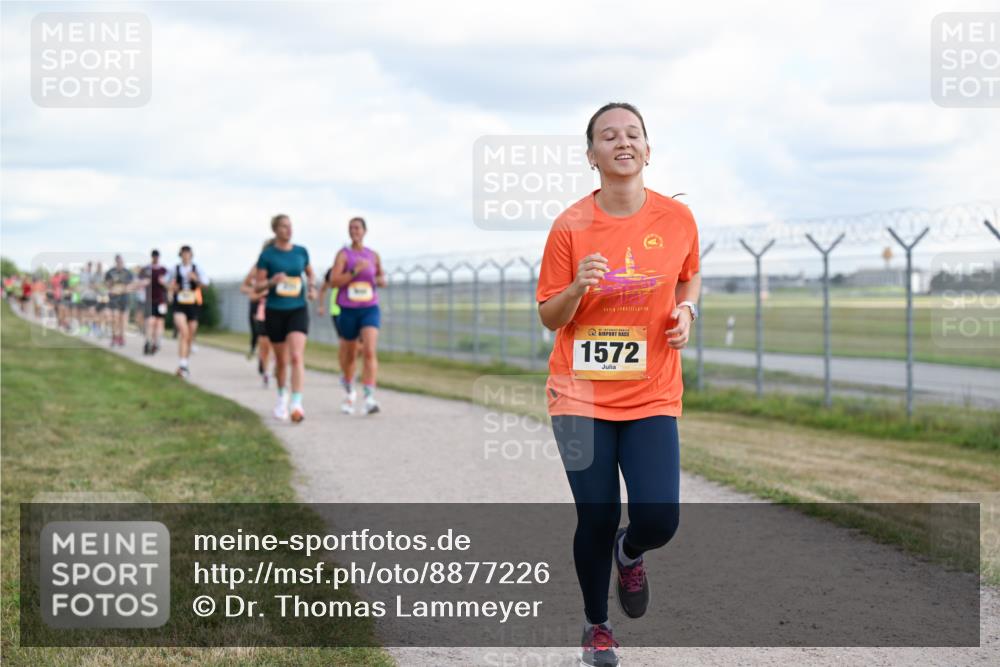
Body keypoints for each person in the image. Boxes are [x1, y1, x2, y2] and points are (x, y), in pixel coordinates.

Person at [536, 103, 701, 667]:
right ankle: (597, 625)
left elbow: (689, 274)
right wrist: (578, 286)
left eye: (633, 133)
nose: (622, 141)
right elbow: (550, 317)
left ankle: (630, 554)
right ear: (592, 156)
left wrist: (689, 311)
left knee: (660, 517)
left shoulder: (678, 220)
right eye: (608, 136)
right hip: (579, 394)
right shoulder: (570, 226)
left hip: (652, 390)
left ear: (648, 150)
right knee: (597, 514)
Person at [256, 214, 316, 422]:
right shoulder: (267, 255)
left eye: (290, 226)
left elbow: (310, 274)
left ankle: (297, 403)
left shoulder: (301, 252)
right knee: (281, 360)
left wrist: (312, 289)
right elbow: (258, 286)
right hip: (275, 310)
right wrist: (272, 282)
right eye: (283, 226)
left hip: (297, 308)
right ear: (275, 230)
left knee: (297, 356)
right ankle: (282, 397)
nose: (288, 230)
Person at [326, 217, 386, 415]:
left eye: (357, 228)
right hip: (348, 309)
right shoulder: (343, 255)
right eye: (351, 228)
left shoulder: (373, 255)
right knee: (350, 354)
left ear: (365, 231)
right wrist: (354, 271)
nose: (354, 231)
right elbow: (334, 281)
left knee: (369, 349)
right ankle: (349, 388)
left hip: (369, 307)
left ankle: (369, 396)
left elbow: (380, 277)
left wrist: (378, 280)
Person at [169, 245, 209, 378]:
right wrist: (171, 287)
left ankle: (185, 363)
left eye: (188, 253)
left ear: (191, 255)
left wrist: (195, 279)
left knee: (190, 335)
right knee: (184, 332)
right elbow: (164, 281)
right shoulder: (174, 269)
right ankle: (182, 364)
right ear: (180, 255)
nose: (186, 256)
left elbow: (206, 283)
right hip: (179, 304)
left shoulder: (197, 269)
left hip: (193, 304)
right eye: (183, 254)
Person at [240, 241, 273, 387]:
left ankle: (269, 363)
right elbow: (244, 287)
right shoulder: (257, 267)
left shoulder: (284, 268)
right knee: (262, 339)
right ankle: (264, 363)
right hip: (259, 306)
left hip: (278, 307)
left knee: (275, 342)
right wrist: (257, 292)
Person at [140, 250, 169, 355]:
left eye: (157, 256)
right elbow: (139, 282)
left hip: (161, 301)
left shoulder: (164, 270)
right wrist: (143, 283)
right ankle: (148, 341)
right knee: (150, 322)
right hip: (149, 300)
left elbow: (169, 285)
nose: (155, 258)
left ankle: (156, 343)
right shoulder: (146, 269)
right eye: (154, 256)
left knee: (159, 322)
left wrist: (164, 282)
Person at [105, 255, 134, 347]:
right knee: (115, 318)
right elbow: (108, 285)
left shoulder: (127, 272)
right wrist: (112, 288)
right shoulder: (110, 272)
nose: (119, 263)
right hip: (114, 299)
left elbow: (130, 286)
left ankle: (121, 337)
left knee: (123, 319)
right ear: (115, 262)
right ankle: (114, 337)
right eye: (118, 262)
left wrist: (120, 289)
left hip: (124, 298)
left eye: (121, 261)